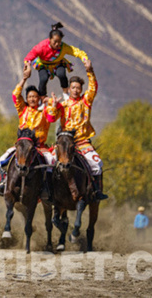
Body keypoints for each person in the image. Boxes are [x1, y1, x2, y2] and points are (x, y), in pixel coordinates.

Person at [46, 59, 108, 201]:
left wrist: (90, 71)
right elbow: (50, 119)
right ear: (69, 89)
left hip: (82, 143)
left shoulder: (85, 101)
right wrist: (54, 106)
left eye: (78, 88)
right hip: (64, 145)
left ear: (81, 89)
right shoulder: (63, 105)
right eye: (73, 87)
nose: (75, 90)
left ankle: (97, 192)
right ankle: (47, 191)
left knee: (97, 164)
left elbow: (93, 87)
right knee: (49, 162)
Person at [0, 64, 56, 195]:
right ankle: (4, 183)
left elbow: (52, 118)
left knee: (51, 161)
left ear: (39, 98)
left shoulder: (44, 111)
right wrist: (24, 79)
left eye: (35, 97)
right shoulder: (23, 110)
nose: (32, 99)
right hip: (22, 146)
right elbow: (15, 95)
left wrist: (52, 103)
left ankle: (47, 188)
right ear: (27, 99)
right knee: (2, 159)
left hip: (40, 147)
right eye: (30, 97)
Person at [24, 22, 89, 97]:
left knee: (61, 74)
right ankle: (43, 98)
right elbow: (29, 57)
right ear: (50, 39)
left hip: (58, 64)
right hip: (44, 65)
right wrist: (28, 66)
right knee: (43, 79)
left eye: (59, 42)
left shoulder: (63, 47)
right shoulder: (41, 47)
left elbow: (76, 52)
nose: (57, 44)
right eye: (55, 42)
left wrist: (85, 60)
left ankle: (65, 93)